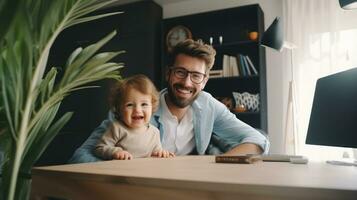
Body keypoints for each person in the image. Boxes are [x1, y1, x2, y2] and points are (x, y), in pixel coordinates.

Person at [69, 39, 270, 163]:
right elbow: (80, 157)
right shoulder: (136, 107)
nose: (187, 82)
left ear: (205, 81)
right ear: (168, 73)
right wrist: (121, 163)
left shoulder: (209, 106)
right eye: (180, 72)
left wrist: (216, 163)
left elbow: (258, 140)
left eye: (196, 76)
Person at [94, 75, 174, 160]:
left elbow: (156, 152)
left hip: (145, 171)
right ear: (119, 109)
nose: (137, 110)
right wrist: (115, 152)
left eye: (144, 104)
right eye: (130, 105)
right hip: (121, 171)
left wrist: (161, 153)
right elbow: (99, 148)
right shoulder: (117, 128)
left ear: (152, 107)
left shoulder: (154, 133)